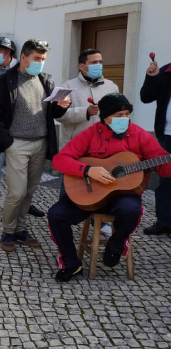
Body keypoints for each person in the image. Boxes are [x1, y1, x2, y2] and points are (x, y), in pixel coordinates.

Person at [48, 93, 171, 282]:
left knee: (131, 209)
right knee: (56, 214)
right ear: (105, 118)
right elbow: (59, 160)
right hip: (91, 194)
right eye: (119, 115)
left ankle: (117, 242)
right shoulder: (91, 133)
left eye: (127, 114)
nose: (125, 119)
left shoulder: (140, 135)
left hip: (124, 195)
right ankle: (71, 263)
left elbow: (163, 166)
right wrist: (88, 170)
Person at [0, 39, 71, 253]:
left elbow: (53, 114)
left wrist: (61, 107)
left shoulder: (46, 80)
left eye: (43, 59)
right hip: (17, 144)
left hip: (40, 143)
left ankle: (21, 229)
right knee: (17, 192)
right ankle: (7, 231)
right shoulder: (6, 81)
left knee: (30, 191)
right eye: (36, 59)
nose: (40, 63)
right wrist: (8, 142)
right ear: (23, 57)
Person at [0, 36, 44, 218]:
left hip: (24, 129)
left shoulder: (23, 68)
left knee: (28, 172)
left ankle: (26, 203)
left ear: (9, 52)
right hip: (0, 127)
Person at [58, 48, 119, 236]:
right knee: (68, 188)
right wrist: (85, 112)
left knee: (100, 186)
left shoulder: (112, 87)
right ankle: (61, 221)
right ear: (82, 66)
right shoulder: (67, 87)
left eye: (100, 61)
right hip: (76, 148)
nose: (98, 66)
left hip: (102, 150)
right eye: (93, 62)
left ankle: (99, 221)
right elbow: (60, 116)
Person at [140, 58, 171, 236]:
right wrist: (150, 77)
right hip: (166, 135)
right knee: (165, 182)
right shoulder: (165, 72)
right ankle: (165, 222)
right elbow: (146, 97)